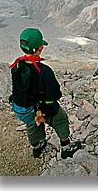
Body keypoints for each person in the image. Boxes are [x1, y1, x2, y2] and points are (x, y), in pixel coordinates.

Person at [9, 28, 81, 159]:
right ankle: (66, 148)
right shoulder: (45, 71)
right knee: (61, 119)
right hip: (41, 108)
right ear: (40, 48)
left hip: (24, 108)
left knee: (32, 124)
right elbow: (55, 94)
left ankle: (37, 147)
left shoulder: (16, 66)